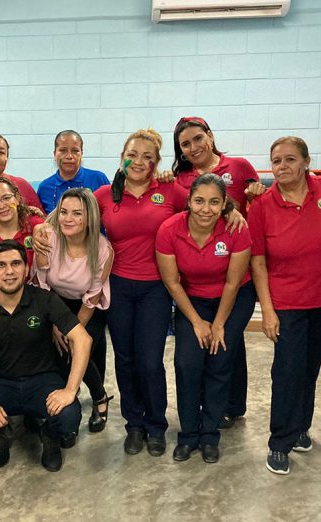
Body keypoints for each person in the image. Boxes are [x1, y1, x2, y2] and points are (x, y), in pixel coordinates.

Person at [248, 136, 321, 476]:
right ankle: (280, 441)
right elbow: (258, 262)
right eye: (276, 161)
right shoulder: (262, 206)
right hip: (287, 303)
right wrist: (267, 310)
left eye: (290, 159)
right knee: (287, 371)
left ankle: (302, 427)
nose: (282, 166)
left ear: (306, 161)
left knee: (309, 369)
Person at [0, 241, 92, 472]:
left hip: (42, 381)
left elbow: (83, 339)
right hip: (0, 383)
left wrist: (70, 390)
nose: (9, 271)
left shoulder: (44, 299)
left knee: (69, 417)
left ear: (26, 269)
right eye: (1, 265)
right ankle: (0, 434)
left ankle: (49, 436)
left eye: (16, 264)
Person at [94, 129, 189, 457]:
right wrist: (40, 225)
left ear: (157, 163)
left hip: (156, 288)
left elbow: (205, 206)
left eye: (148, 157)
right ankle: (134, 425)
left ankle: (156, 425)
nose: (139, 161)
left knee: (149, 361)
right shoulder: (104, 195)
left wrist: (232, 210)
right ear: (122, 157)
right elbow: (70, 219)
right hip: (118, 286)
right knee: (124, 359)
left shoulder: (169, 190)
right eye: (132, 155)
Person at [173, 116, 265, 428]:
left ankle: (231, 405)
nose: (193, 147)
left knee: (228, 344)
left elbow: (257, 201)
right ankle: (207, 404)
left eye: (198, 139)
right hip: (199, 278)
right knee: (203, 349)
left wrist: (251, 198)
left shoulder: (239, 166)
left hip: (237, 272)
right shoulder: (180, 179)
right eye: (185, 144)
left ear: (210, 136)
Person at [156, 174, 255, 464]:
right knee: (187, 363)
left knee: (220, 360)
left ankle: (210, 434)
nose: (206, 209)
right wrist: (197, 322)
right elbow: (172, 282)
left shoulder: (236, 229)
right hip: (192, 301)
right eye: (199, 201)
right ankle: (188, 434)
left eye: (214, 202)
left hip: (233, 299)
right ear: (189, 201)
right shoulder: (169, 229)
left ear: (224, 204)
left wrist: (219, 324)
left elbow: (233, 283)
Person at [32, 188, 114, 434]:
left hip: (87, 306)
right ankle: (71, 404)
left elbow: (92, 297)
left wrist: (71, 331)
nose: (68, 219)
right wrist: (54, 323)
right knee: (58, 352)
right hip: (53, 301)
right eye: (64, 212)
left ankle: (99, 397)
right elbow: (42, 284)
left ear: (89, 218)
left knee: (76, 346)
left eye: (77, 214)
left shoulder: (103, 249)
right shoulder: (48, 237)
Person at [37, 130, 110, 214]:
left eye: (75, 151)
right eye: (63, 150)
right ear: (55, 154)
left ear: (81, 154)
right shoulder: (44, 188)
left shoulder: (98, 179)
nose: (69, 156)